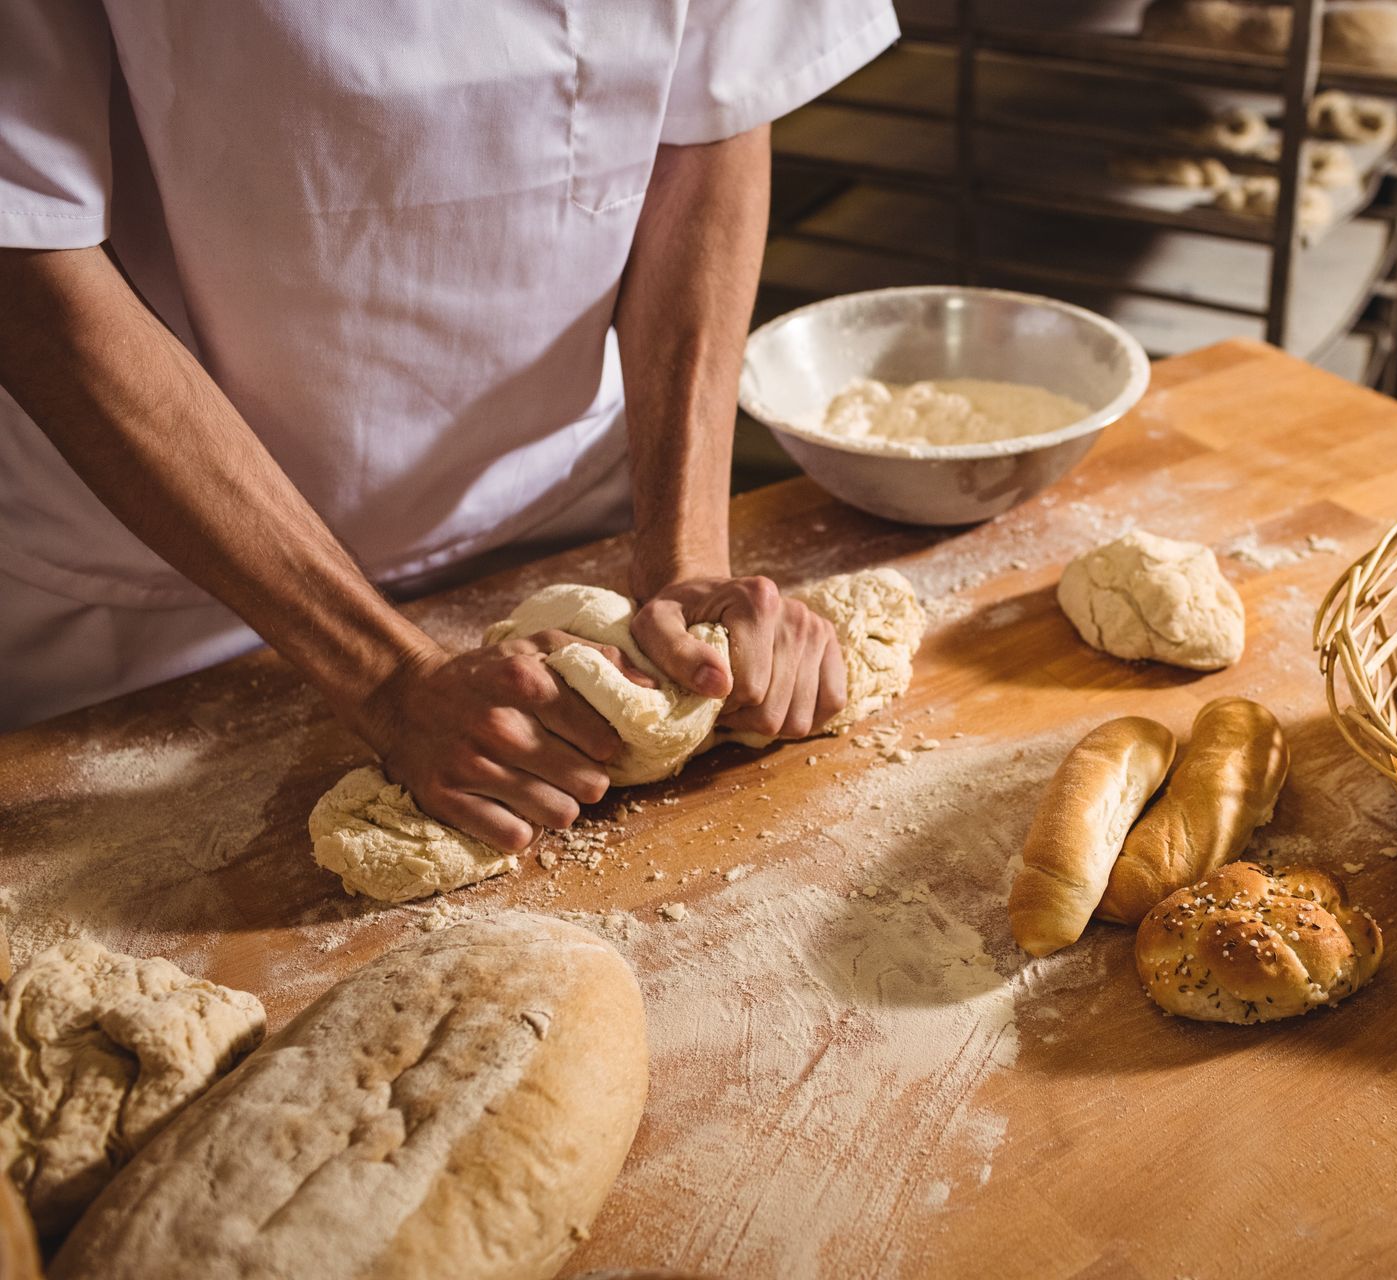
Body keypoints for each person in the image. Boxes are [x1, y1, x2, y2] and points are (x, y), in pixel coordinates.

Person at [0, 0, 899, 850]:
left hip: (566, 519)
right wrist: (386, 678)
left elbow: (714, 114)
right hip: (161, 591)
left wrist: (689, 559)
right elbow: (28, 256)